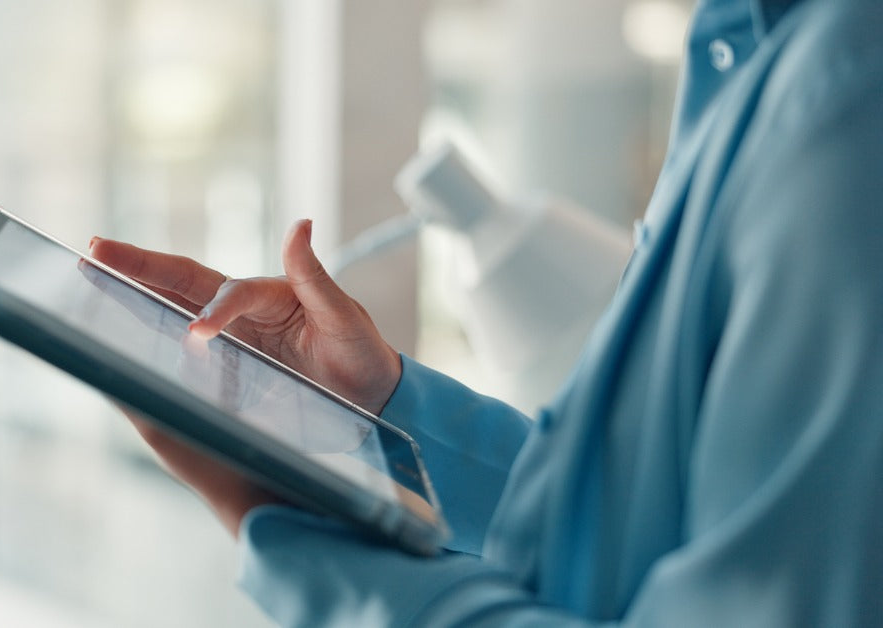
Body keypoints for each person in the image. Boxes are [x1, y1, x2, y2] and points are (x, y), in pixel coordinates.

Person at [91, 0, 883, 624]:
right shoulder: (749, 52)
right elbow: (649, 526)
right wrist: (380, 407)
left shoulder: (842, 99)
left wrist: (276, 522)